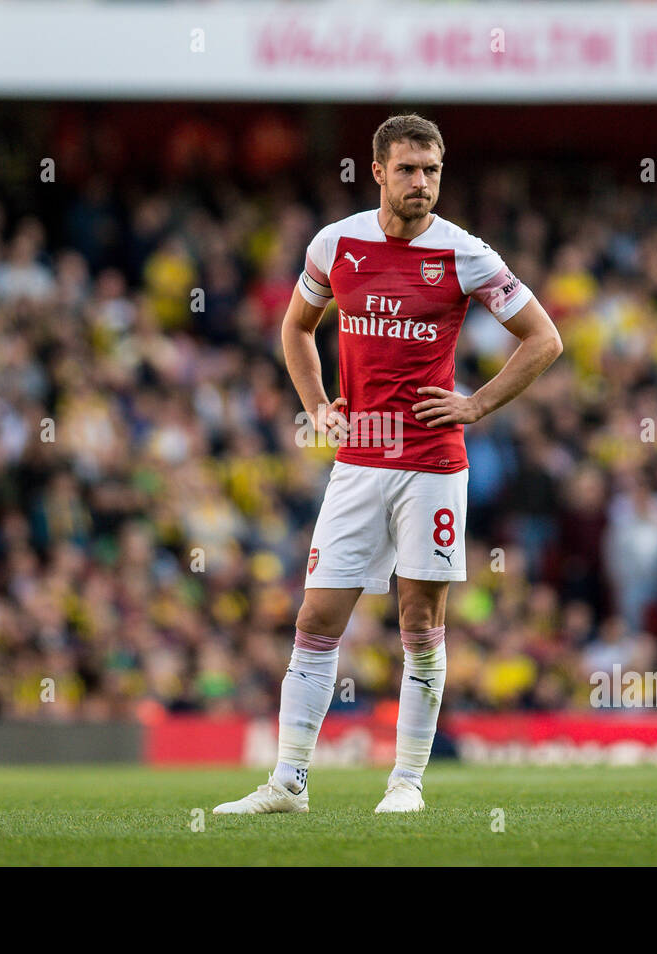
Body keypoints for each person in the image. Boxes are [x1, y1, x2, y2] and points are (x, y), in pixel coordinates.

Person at [213, 114, 561, 814]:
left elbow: (543, 338)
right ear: (377, 172)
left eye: (432, 170)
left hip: (433, 463)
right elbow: (296, 326)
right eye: (407, 170)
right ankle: (288, 783)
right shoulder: (336, 244)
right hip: (359, 460)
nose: (422, 183)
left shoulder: (465, 254)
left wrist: (477, 405)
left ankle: (406, 782)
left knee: (419, 619)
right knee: (315, 618)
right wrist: (315, 405)